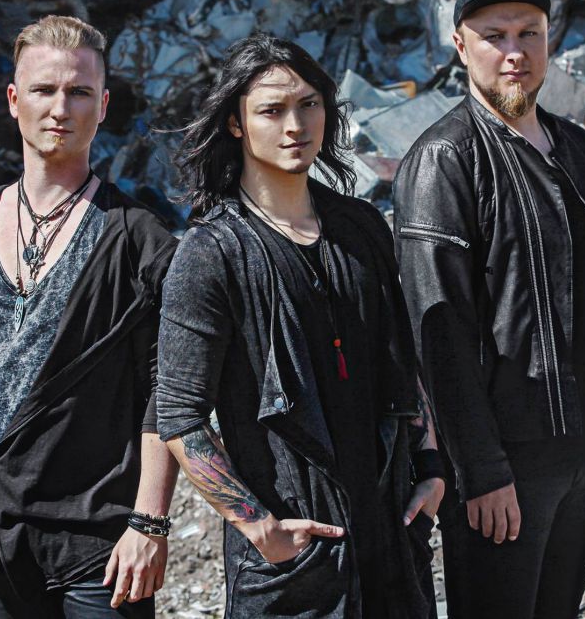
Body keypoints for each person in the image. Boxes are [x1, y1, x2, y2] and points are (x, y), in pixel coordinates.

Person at [157, 34, 444, 618]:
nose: (295, 125)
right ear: (236, 123)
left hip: (389, 529)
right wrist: (258, 527)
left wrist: (432, 469)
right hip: (296, 554)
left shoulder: (361, 226)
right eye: (272, 110)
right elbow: (180, 417)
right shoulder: (212, 253)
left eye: (309, 104)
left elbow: (403, 361)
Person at [392, 0, 585, 619]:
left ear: (549, 38)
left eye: (528, 33)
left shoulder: (573, 146)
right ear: (460, 46)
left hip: (574, 448)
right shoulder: (445, 159)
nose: (514, 53)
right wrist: (481, 469)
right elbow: (437, 335)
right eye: (494, 36)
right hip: (503, 461)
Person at [0, 15, 179, 618]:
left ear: (102, 106)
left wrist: (150, 523)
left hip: (102, 541)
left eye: (79, 92)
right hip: (0, 534)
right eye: (44, 89)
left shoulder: (140, 239)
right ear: (14, 100)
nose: (61, 108)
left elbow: (165, 392)